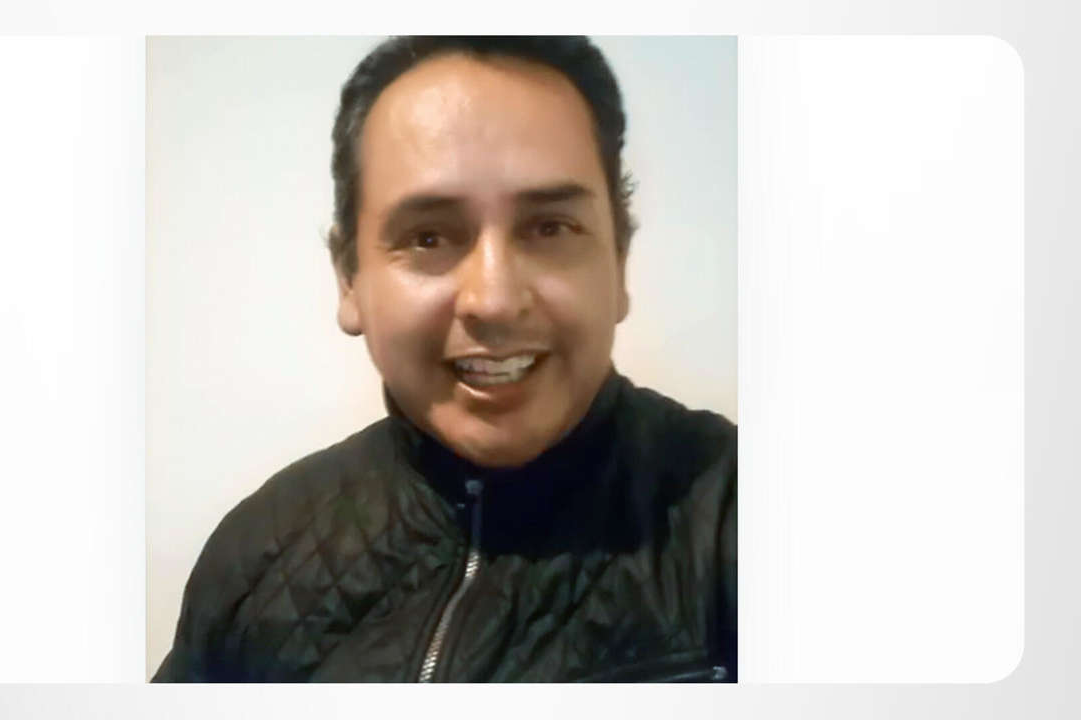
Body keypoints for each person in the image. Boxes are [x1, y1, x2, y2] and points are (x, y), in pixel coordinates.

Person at [152, 36, 737, 683]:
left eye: (549, 228)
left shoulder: (737, 514)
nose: (495, 300)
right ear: (349, 280)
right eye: (428, 236)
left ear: (619, 263)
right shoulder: (257, 553)